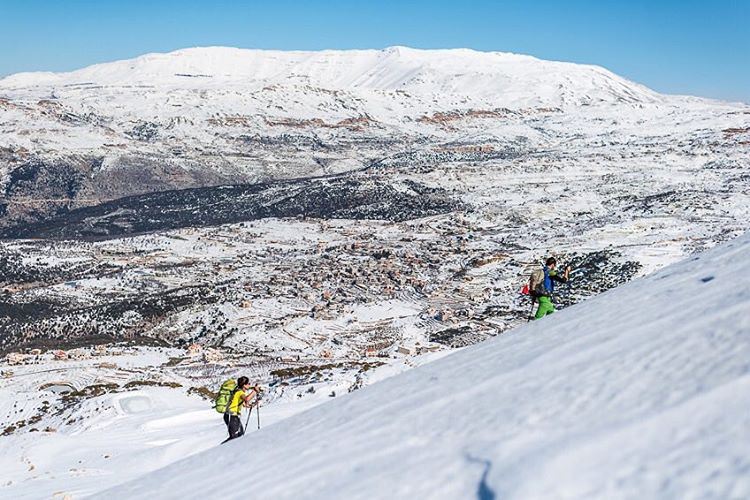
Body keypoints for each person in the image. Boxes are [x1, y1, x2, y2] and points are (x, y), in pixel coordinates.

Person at [222, 376, 258, 443]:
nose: (249, 385)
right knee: (234, 438)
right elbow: (246, 399)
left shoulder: (237, 391)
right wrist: (254, 391)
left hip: (231, 416)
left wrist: (249, 405)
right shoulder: (240, 392)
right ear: (244, 385)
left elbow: (242, 403)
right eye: (248, 383)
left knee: (240, 435)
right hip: (231, 416)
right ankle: (219, 450)